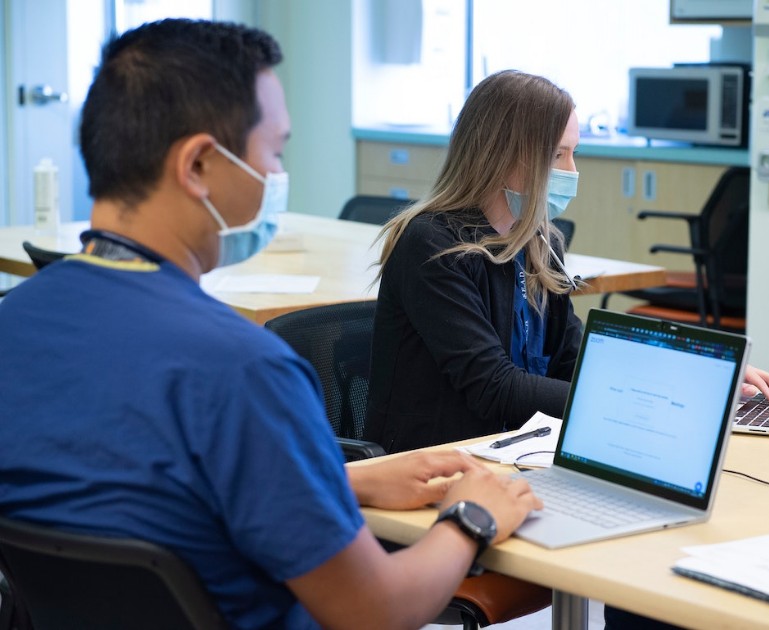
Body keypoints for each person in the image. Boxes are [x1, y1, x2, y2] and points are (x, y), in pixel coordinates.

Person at [0, 19, 542, 630]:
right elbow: (377, 609)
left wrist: (342, 477)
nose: (279, 174)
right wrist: (470, 516)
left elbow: (135, 496)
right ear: (200, 164)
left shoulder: (12, 324)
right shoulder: (244, 369)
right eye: (275, 150)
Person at [363, 69, 769, 630]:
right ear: (505, 156)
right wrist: (624, 403)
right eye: (558, 156)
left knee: (665, 536)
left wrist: (694, 380)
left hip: (521, 458)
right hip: (450, 473)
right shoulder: (432, 245)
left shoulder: (540, 240)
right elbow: (493, 388)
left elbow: (576, 360)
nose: (571, 173)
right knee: (642, 558)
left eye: (573, 155)